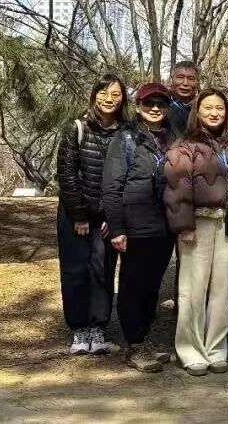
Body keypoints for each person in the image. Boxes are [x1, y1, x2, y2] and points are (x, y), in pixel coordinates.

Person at [163, 89, 228, 376]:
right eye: (208, 107)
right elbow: (177, 189)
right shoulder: (184, 147)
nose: (214, 113)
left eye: (219, 108)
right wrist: (184, 226)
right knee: (193, 289)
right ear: (197, 111)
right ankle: (189, 350)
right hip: (198, 223)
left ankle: (216, 348)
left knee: (223, 290)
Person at [102, 82, 175, 372]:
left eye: (161, 104)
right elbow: (111, 187)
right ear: (138, 105)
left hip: (165, 225)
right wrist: (118, 228)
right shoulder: (126, 138)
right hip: (135, 224)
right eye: (148, 103)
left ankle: (144, 338)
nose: (155, 108)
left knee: (152, 285)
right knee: (133, 285)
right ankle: (133, 344)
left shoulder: (173, 137)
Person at [57, 74, 127, 356]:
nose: (109, 99)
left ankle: (98, 327)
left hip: (107, 217)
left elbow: (127, 177)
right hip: (75, 215)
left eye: (116, 94)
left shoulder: (126, 132)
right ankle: (79, 328)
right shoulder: (77, 127)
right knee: (75, 272)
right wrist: (79, 216)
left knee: (103, 272)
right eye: (104, 93)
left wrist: (114, 216)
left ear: (123, 100)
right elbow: (66, 173)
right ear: (94, 94)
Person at [167, 61, 199, 139]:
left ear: (197, 82)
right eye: (180, 77)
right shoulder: (161, 105)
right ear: (172, 80)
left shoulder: (203, 107)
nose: (185, 83)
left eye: (191, 78)